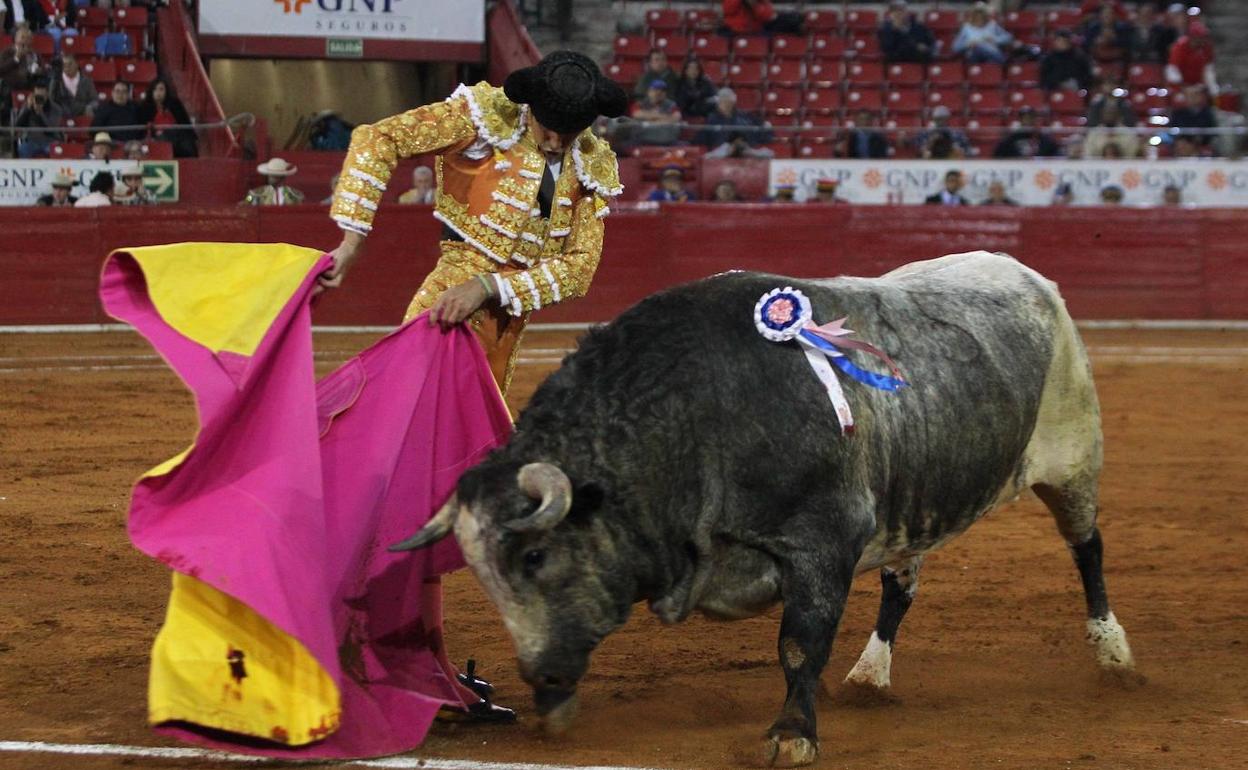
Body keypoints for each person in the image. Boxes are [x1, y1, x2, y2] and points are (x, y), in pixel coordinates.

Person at [321, 51, 627, 723]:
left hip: (499, 333)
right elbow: (379, 138)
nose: (554, 141)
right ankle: (353, 640)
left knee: (446, 496)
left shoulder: (590, 164)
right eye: (549, 127)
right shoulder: (480, 115)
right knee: (403, 485)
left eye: (567, 132)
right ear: (531, 107)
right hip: (442, 319)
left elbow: (578, 271)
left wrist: (492, 286)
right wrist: (351, 240)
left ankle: (407, 649)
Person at [697, 87, 773, 158]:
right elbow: (700, 141)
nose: (725, 103)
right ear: (718, 103)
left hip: (747, 152)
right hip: (721, 155)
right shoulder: (711, 120)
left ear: (733, 101)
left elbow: (763, 129)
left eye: (727, 100)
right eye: (722, 100)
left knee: (767, 153)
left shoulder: (745, 116)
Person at [137, 78, 198, 157]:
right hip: (157, 135)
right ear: (151, 91)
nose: (158, 92)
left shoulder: (175, 103)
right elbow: (143, 129)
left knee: (187, 141)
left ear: (166, 91)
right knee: (163, 137)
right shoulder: (145, 106)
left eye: (161, 89)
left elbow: (184, 123)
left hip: (176, 134)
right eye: (155, 89)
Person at [13, 75, 62, 157]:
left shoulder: (55, 108)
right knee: (22, 149)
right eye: (37, 96)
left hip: (49, 141)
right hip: (32, 140)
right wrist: (28, 109)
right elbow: (18, 125)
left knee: (56, 151)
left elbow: (51, 130)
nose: (39, 99)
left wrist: (40, 113)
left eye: (42, 96)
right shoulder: (28, 105)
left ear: (47, 94)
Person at [1166, 21, 1218, 95]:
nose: (1203, 40)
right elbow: (1172, 70)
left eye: (1204, 37)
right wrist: (1182, 89)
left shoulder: (1207, 47)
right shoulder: (1180, 47)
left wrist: (1212, 89)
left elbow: (1208, 69)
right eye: (1200, 37)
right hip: (1182, 87)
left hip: (1198, 87)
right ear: (1192, 37)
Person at [630, 79, 681, 146]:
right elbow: (637, 114)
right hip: (643, 140)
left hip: (667, 140)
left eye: (662, 91)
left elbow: (676, 117)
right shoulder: (640, 104)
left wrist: (651, 118)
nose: (659, 93)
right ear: (649, 91)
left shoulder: (671, 105)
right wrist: (664, 117)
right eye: (656, 90)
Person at [993, 108, 1061, 158]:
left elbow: (1055, 154)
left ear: (1034, 120)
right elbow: (998, 155)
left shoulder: (1044, 138)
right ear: (1020, 120)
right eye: (1024, 118)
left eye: (1030, 118)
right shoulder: (1011, 138)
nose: (1027, 121)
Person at [1169, 84, 1217, 150]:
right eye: (1190, 95)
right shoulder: (1178, 114)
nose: (1193, 98)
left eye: (1195, 95)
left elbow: (1211, 132)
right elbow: (1173, 131)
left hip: (1201, 144)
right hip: (1182, 145)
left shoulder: (1208, 114)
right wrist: (1183, 141)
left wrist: (1196, 142)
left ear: (1201, 96)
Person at [719, 0, 804, 36]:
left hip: (755, 31)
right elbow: (728, 10)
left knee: (787, 21)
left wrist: (754, 4)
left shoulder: (761, 2)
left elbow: (767, 16)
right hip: (734, 31)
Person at [0, 24, 45, 92]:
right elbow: (1, 69)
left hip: (32, 83)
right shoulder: (7, 52)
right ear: (16, 38)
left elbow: (42, 68)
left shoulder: (35, 53)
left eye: (28, 38)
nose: (25, 40)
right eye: (23, 37)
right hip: (12, 85)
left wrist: (40, 70)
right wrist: (16, 58)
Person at [50, 53, 97, 117]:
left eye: (70, 64)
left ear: (77, 64)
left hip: (83, 113)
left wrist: (89, 107)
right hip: (62, 115)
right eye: (64, 65)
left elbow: (94, 100)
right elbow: (51, 99)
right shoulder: (56, 80)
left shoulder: (86, 81)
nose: (67, 67)